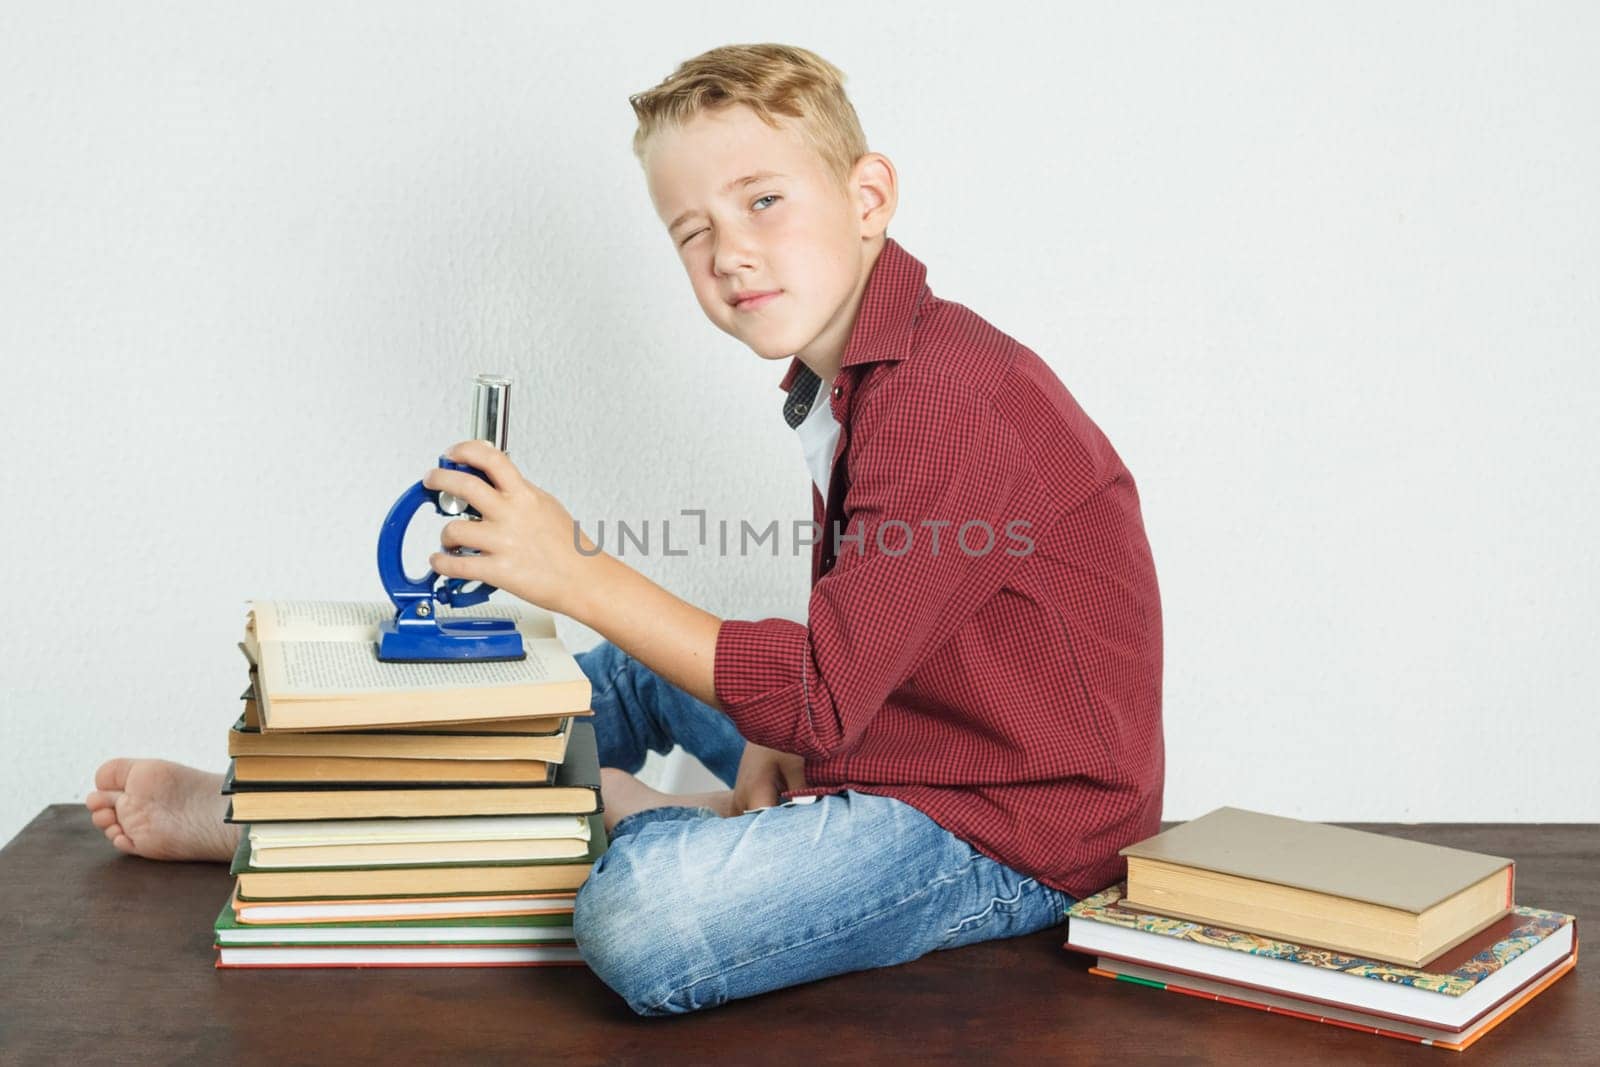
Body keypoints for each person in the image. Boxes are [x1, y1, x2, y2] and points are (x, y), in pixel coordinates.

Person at [85, 42, 1164, 1016]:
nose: (730, 251)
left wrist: (576, 570)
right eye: (693, 231)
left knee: (645, 919)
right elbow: (857, 666)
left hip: (1006, 826)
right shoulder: (853, 382)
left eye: (764, 201)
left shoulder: (948, 399)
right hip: (893, 738)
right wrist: (792, 732)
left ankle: (592, 813)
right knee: (634, 681)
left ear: (867, 195)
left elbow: (826, 687)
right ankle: (301, 805)